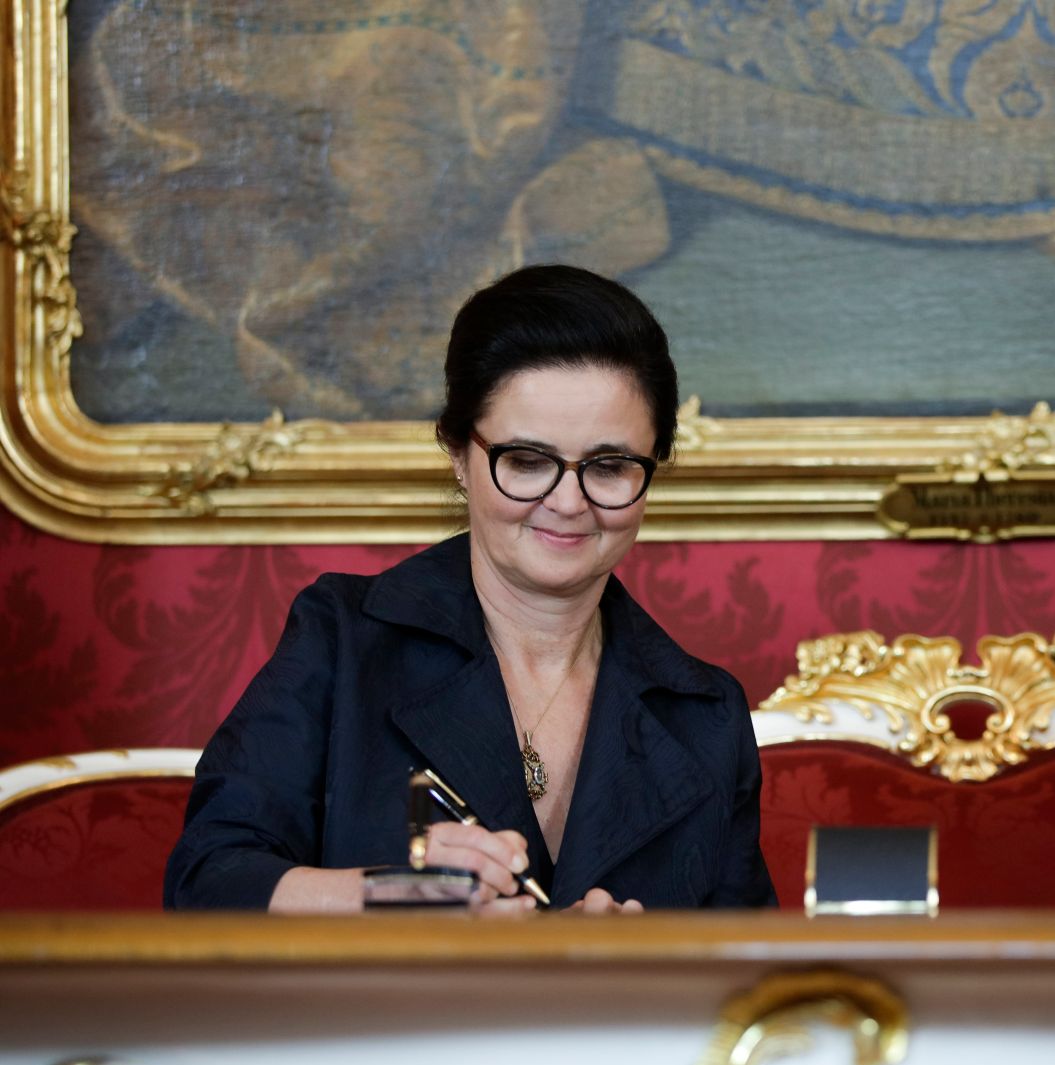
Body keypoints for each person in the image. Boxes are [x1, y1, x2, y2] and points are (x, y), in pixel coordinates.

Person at [165, 265, 775, 914]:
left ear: (651, 469)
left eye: (609, 466)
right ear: (459, 453)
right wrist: (406, 899)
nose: (567, 502)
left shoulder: (705, 714)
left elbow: (747, 971)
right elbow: (206, 881)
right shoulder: (340, 641)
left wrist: (628, 965)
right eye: (527, 461)